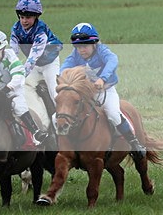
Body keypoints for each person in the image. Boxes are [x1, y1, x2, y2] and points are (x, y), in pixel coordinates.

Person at [60, 23, 147, 159]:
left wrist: (102, 78)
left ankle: (134, 143)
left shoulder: (102, 51)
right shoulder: (75, 55)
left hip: (106, 91)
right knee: (65, 114)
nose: (81, 50)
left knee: (113, 113)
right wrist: (62, 78)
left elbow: (113, 60)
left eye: (85, 46)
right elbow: (65, 67)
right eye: (78, 47)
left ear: (94, 43)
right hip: (87, 94)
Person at [10, 0, 63, 103]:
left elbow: (33, 57)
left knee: (55, 94)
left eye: (28, 17)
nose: (24, 21)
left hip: (49, 63)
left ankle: (62, 118)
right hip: (34, 66)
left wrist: (20, 75)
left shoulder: (40, 31)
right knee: (21, 89)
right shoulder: (16, 29)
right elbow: (13, 53)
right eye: (22, 17)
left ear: (36, 16)